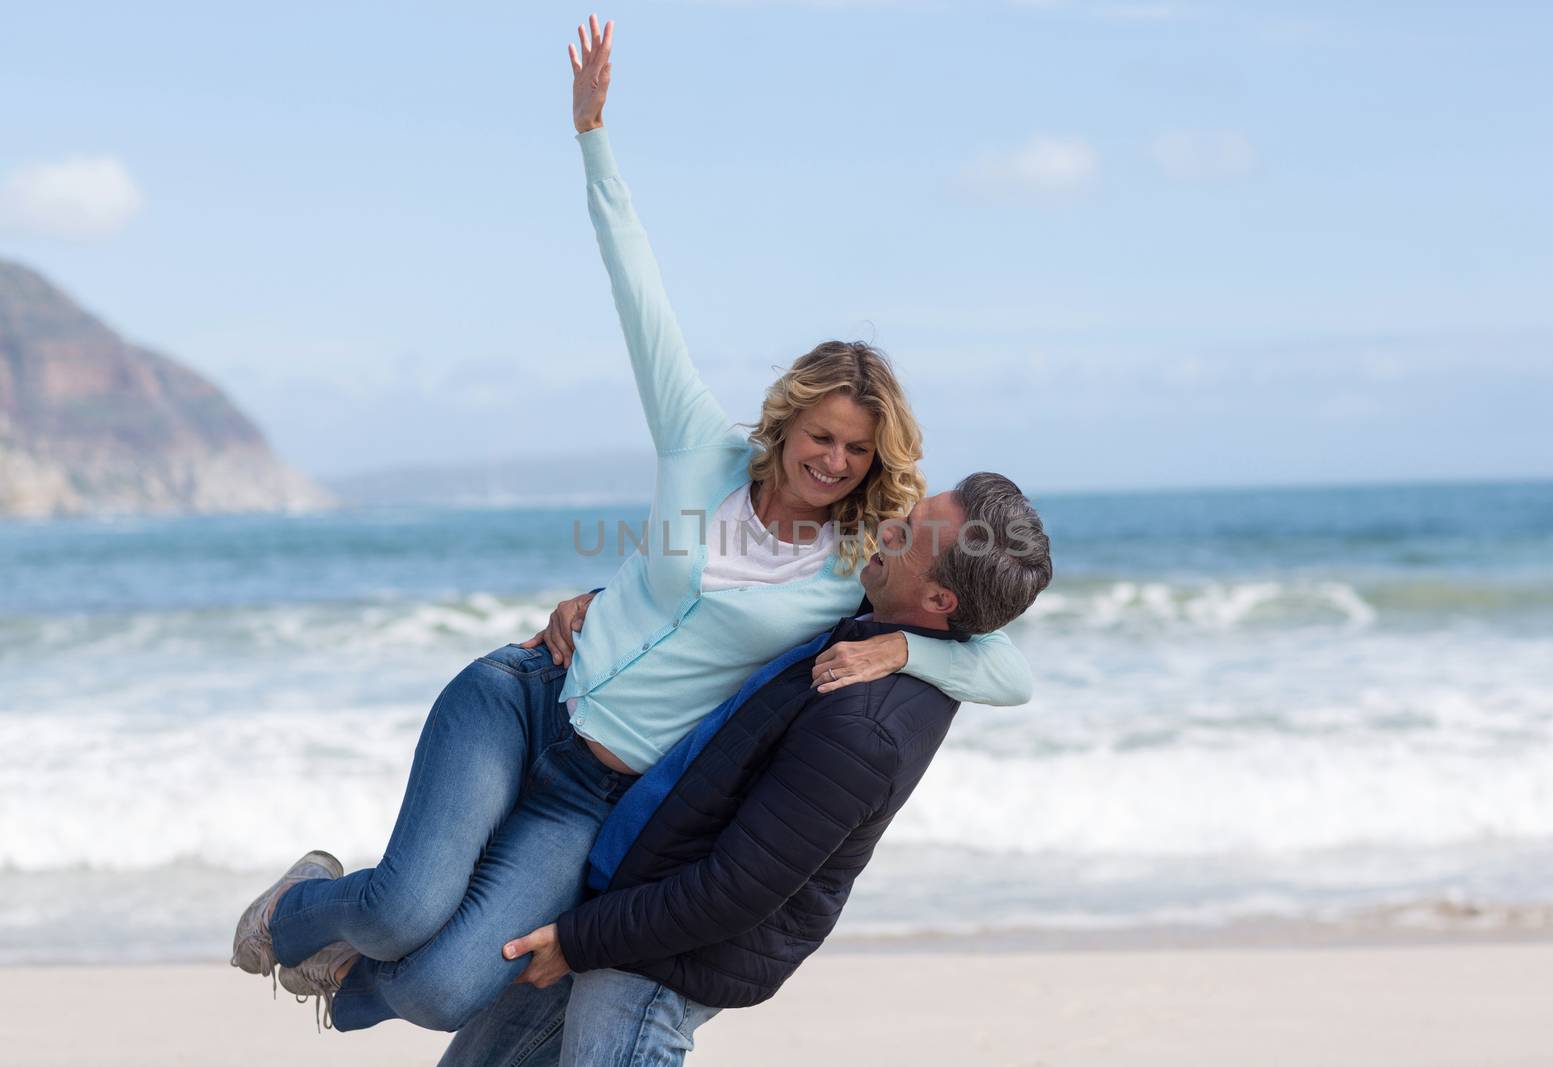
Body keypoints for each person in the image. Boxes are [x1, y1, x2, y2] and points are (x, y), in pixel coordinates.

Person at [228, 13, 1033, 1034]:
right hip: (523, 697)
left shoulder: (852, 571)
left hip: (591, 794)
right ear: (791, 418)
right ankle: (299, 904)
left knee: (439, 989)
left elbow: (1007, 667)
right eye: (821, 435)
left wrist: (905, 657)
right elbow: (637, 289)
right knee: (402, 905)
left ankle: (345, 983)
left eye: (858, 452)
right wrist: (593, 137)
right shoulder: (698, 448)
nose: (834, 462)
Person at [437, 471, 1054, 1066]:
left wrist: (579, 941)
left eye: (907, 534)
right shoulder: (882, 625)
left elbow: (734, 891)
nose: (886, 527)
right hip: (630, 912)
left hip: (658, 964)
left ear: (939, 600)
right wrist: (600, 604)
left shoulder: (864, 725)